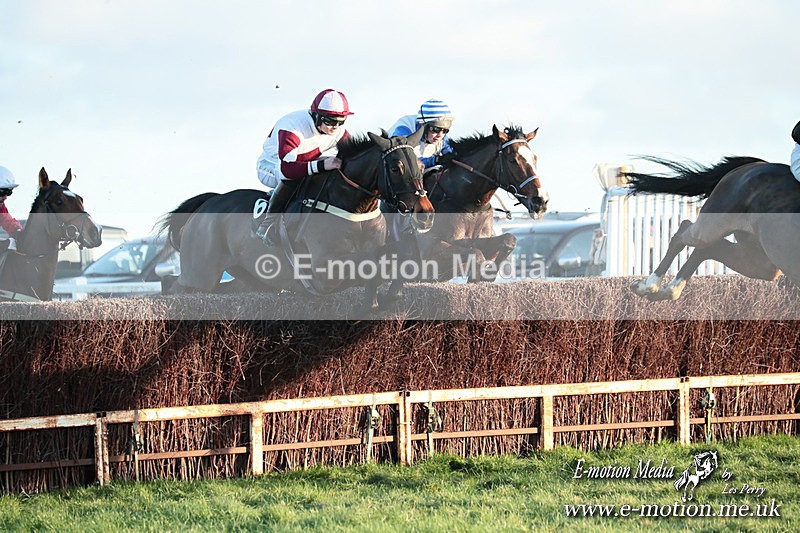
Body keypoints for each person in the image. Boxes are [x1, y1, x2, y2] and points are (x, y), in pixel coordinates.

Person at [255, 88, 353, 245]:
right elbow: (287, 169)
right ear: (316, 115)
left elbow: (352, 157)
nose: (335, 127)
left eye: (341, 122)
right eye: (329, 121)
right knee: (295, 176)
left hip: (302, 162)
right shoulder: (292, 127)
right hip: (271, 165)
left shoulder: (338, 131)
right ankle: (268, 224)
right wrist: (321, 165)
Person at [388, 98, 456, 171]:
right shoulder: (403, 131)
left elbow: (450, 154)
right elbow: (406, 162)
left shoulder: (442, 138)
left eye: (445, 131)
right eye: (436, 129)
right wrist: (436, 160)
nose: (440, 135)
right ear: (422, 125)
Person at [0, 165, 22, 254]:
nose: (5, 197)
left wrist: (19, 232)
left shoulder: (1, 207)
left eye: (9, 192)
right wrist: (4, 244)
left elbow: (9, 222)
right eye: (2, 192)